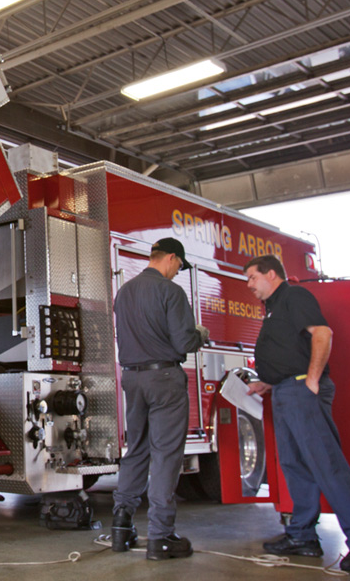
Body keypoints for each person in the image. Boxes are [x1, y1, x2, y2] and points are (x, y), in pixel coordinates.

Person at [243, 254, 350, 573]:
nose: (249, 284)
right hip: (284, 391)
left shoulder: (294, 297)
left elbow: (322, 333)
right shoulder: (273, 308)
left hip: (301, 391)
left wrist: (312, 379)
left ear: (271, 274)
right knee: (294, 465)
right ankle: (302, 536)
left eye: (252, 277)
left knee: (326, 464)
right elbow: (292, 351)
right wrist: (267, 382)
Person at [111, 237, 208, 560]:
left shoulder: (124, 292)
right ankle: (161, 536)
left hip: (132, 378)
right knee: (166, 455)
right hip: (164, 378)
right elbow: (184, 342)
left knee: (136, 449)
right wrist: (199, 335)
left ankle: (121, 525)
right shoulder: (171, 292)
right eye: (179, 265)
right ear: (170, 257)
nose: (178, 271)